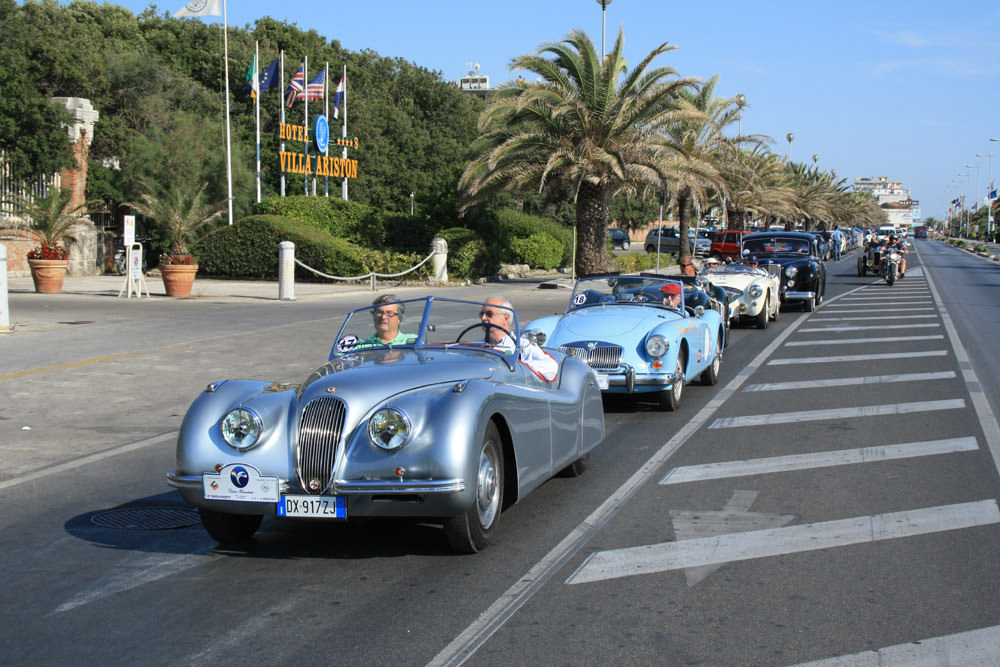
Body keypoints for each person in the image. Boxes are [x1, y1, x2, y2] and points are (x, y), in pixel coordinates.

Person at [479, 296, 558, 381]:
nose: (483, 318)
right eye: (481, 314)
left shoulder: (522, 346)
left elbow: (551, 367)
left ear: (506, 318)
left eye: (489, 314)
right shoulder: (475, 346)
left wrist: (517, 366)